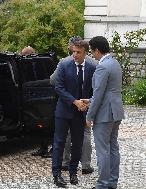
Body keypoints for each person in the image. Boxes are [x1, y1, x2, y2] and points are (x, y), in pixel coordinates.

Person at [52, 40, 95, 188]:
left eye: (78, 52)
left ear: (85, 53)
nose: (75, 55)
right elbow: (58, 87)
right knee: (59, 143)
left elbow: (93, 90)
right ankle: (56, 174)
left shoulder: (91, 67)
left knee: (77, 144)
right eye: (73, 52)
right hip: (63, 111)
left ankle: (73, 173)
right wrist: (74, 101)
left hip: (80, 113)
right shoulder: (64, 65)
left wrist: (87, 104)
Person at [85, 36, 125, 189]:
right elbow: (109, 91)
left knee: (103, 150)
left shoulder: (102, 66)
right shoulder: (115, 63)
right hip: (116, 111)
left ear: (97, 50)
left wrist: (89, 116)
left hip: (104, 113)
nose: (92, 55)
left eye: (92, 51)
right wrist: (89, 100)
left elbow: (100, 92)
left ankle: (102, 184)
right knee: (113, 147)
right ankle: (112, 182)